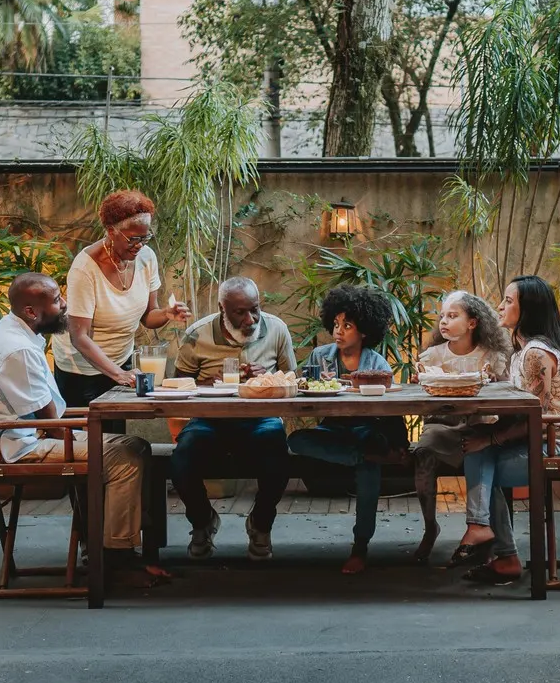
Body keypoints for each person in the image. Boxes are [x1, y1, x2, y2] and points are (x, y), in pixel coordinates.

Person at [0, 272, 167, 590]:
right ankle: (114, 559)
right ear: (31, 311)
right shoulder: (17, 348)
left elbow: (43, 415)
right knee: (126, 454)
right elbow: (52, 425)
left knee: (134, 446)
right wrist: (92, 426)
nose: (65, 305)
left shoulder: (13, 334)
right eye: (57, 300)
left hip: (17, 436)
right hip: (18, 447)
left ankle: (113, 549)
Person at [458, 275, 560, 587]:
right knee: (477, 452)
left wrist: (490, 437)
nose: (500, 306)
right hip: (556, 439)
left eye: (509, 301)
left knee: (482, 462)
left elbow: (534, 417)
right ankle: (489, 539)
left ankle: (500, 550)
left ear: (528, 310)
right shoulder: (525, 350)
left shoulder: (535, 353)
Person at [168, 277, 297, 561]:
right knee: (181, 458)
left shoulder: (276, 329)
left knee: (277, 453)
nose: (250, 319)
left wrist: (267, 379)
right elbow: (179, 386)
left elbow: (293, 383)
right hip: (209, 420)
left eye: (255, 309)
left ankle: (261, 524)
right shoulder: (197, 334)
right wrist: (205, 383)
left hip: (261, 419)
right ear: (222, 309)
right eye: (240, 312)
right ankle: (202, 521)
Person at [287, 284, 405, 573]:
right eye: (336, 324)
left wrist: (353, 386)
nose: (338, 331)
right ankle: (361, 456)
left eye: (347, 325)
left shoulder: (376, 363)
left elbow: (385, 408)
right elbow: (304, 391)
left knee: (369, 471)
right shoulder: (320, 356)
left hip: (365, 429)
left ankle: (360, 547)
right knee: (296, 440)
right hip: (335, 433)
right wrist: (318, 385)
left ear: (364, 330)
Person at [53, 188, 191, 417]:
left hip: (120, 361)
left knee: (115, 437)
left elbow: (148, 316)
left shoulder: (146, 258)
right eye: (133, 239)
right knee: (87, 443)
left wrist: (167, 314)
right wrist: (118, 374)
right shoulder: (85, 269)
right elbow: (80, 337)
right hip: (81, 370)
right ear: (111, 231)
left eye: (145, 237)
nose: (140, 245)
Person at [408, 291, 513, 565]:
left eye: (453, 316)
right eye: (442, 316)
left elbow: (505, 395)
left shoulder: (491, 357)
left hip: (479, 427)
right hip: (442, 426)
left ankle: (487, 532)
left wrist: (497, 379)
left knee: (484, 452)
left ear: (472, 323)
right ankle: (431, 526)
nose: (444, 322)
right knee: (423, 451)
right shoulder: (432, 357)